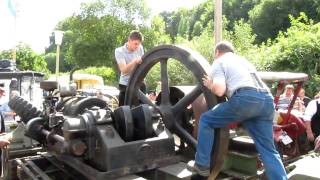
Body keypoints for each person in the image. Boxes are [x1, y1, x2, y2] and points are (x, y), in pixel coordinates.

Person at [187, 41, 287, 179]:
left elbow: (220, 90)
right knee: (268, 150)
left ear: (217, 53)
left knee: (206, 120)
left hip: (246, 99)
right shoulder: (244, 61)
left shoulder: (220, 61)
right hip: (266, 100)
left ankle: (202, 166)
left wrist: (211, 85)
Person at [115, 30, 144, 106]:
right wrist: (134, 61)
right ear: (129, 40)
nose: (137, 46)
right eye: (135, 44)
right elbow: (124, 70)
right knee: (124, 112)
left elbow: (143, 66)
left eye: (139, 44)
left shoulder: (140, 48)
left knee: (142, 110)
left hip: (139, 83)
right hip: (125, 85)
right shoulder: (119, 51)